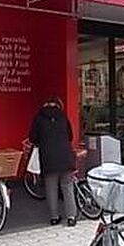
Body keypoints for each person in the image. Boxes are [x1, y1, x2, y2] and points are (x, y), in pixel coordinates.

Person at [29, 97, 78, 226]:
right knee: (67, 186)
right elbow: (70, 136)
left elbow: (32, 137)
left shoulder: (39, 118)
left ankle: (54, 217)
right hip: (65, 156)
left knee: (51, 188)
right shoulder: (63, 116)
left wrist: (43, 141)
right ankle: (71, 217)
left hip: (48, 158)